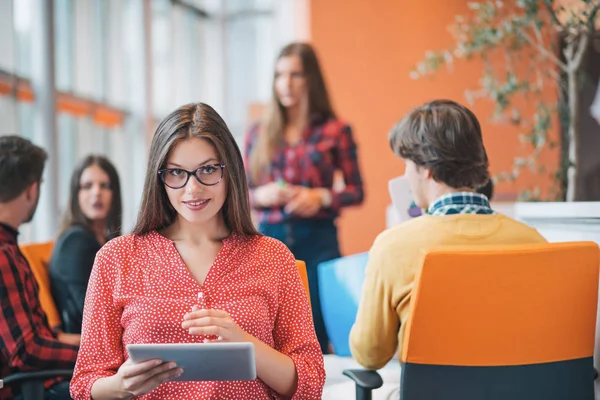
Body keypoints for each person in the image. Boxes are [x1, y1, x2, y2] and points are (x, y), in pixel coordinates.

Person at [70, 103, 325, 400]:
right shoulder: (116, 258)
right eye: (177, 173)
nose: (192, 189)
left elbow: (311, 381)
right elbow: (84, 383)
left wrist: (248, 347)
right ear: (159, 177)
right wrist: (119, 386)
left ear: (229, 171)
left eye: (207, 169)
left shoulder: (273, 257)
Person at [349, 100, 547, 370]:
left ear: (426, 169)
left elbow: (370, 354)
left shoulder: (393, 246)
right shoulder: (533, 243)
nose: (406, 175)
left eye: (407, 164)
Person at [244, 42, 364, 353]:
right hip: (268, 243)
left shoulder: (336, 131)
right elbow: (237, 194)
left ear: (311, 79)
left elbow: (356, 191)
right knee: (268, 332)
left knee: (320, 332)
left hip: (320, 242)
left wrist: (321, 197)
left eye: (295, 74)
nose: (286, 83)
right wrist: (261, 194)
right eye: (279, 75)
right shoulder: (257, 132)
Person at [0, 135, 79, 400]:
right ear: (32, 189)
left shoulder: (9, 248)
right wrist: (92, 356)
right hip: (24, 389)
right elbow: (26, 351)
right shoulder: (4, 254)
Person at [49, 155, 122, 334]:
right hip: (84, 345)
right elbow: (90, 313)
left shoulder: (104, 240)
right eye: (87, 186)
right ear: (76, 195)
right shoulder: (75, 241)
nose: (96, 192)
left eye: (104, 186)